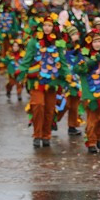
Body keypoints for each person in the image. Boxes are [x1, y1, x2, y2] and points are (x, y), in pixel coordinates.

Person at [18, 13, 69, 148]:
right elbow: (27, 58)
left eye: (50, 25)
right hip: (36, 80)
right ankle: (37, 134)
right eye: (45, 25)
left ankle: (46, 135)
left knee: (49, 109)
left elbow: (62, 62)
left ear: (54, 27)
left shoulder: (58, 42)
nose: (47, 28)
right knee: (38, 106)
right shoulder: (34, 41)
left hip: (52, 80)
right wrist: (21, 71)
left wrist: (67, 75)